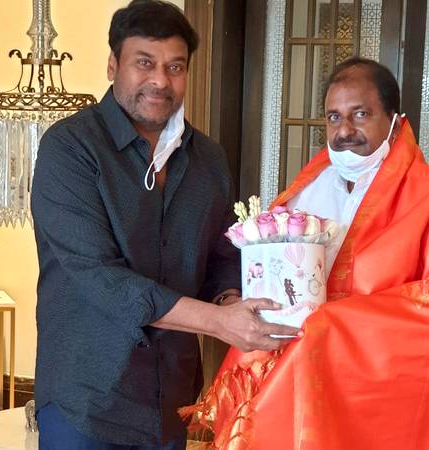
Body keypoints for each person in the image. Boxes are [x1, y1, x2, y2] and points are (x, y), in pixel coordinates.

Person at [185, 57, 429, 449]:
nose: (345, 131)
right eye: (334, 118)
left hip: (380, 396)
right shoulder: (308, 190)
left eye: (360, 114)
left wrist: (335, 326)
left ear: (395, 121)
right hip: (297, 381)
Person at [30, 1, 299, 449]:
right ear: (113, 65)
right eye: (144, 63)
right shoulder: (70, 148)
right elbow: (100, 278)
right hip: (86, 399)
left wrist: (234, 302)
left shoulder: (208, 159)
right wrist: (217, 321)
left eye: (175, 67)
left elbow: (221, 257)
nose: (160, 80)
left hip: (171, 399)